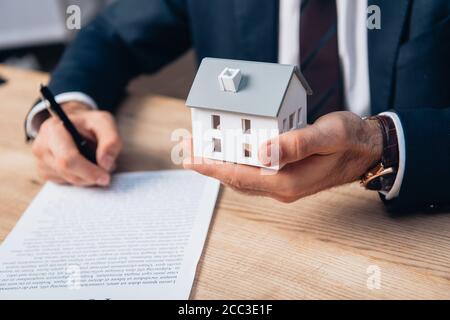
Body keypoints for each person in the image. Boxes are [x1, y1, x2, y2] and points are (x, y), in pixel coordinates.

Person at [25, 0, 450, 212]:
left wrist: (383, 145)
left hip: (402, 221)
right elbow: (112, 35)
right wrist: (70, 106)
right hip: (240, 213)